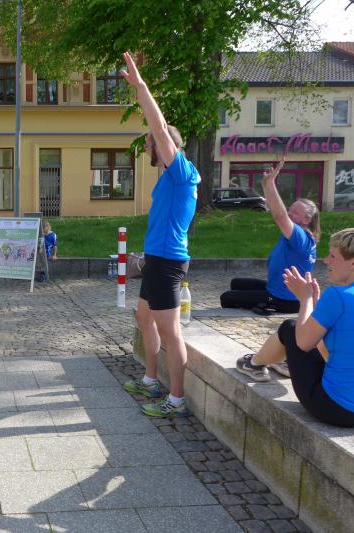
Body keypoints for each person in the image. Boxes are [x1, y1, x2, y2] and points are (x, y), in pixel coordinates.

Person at [119, 51, 201, 419]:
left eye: (150, 142)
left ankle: (177, 400)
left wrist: (141, 88)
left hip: (168, 262)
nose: (147, 147)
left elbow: (159, 123)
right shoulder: (171, 178)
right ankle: (151, 380)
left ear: (163, 146)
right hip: (158, 257)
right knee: (144, 317)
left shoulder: (180, 171)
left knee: (171, 332)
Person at [236, 227, 354, 428]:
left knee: (290, 327)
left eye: (333, 256)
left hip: (337, 409)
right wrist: (317, 308)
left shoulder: (338, 295)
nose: (326, 261)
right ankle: (277, 362)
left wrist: (305, 300)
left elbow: (302, 343)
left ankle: (254, 363)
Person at [220, 156, 320, 316]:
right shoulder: (295, 235)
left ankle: (266, 304)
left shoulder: (301, 238)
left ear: (307, 220)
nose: (289, 213)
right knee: (236, 283)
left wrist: (271, 183)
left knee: (226, 298)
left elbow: (280, 216)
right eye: (289, 209)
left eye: (294, 212)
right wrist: (265, 184)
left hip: (285, 299)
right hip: (276, 288)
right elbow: (278, 211)